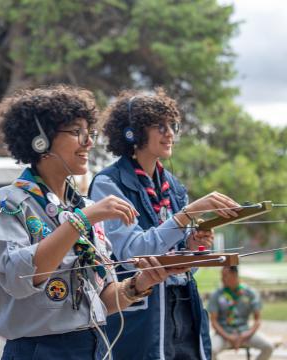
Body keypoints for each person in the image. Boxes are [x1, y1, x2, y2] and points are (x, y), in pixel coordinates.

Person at [0, 85, 189, 359]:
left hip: (94, 346)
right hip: (40, 351)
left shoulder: (83, 208)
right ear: (40, 139)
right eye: (77, 132)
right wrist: (81, 220)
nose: (89, 142)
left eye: (90, 133)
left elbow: (99, 298)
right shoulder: (10, 202)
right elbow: (18, 277)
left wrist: (139, 284)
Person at [89, 88, 241, 359]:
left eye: (173, 125)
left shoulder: (173, 185)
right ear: (132, 133)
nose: (170, 132)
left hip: (184, 307)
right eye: (160, 126)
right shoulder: (108, 183)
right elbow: (133, 255)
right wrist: (187, 215)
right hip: (141, 314)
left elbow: (184, 265)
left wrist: (195, 247)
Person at [208, 266, 274, 360]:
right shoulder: (217, 294)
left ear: (235, 275)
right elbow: (214, 321)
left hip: (245, 332)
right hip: (224, 334)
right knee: (210, 350)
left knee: (268, 347)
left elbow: (258, 320)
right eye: (221, 276)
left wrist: (246, 334)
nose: (222, 279)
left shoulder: (250, 293)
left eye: (225, 276)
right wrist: (228, 337)